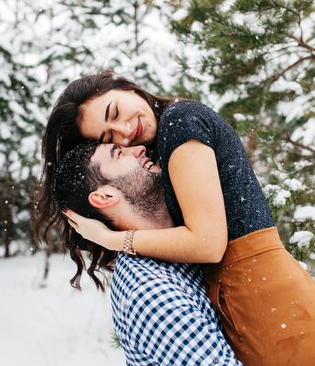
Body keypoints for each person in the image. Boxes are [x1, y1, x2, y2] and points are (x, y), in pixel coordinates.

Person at [34, 70, 315, 366]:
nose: (126, 132)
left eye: (115, 112)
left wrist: (113, 239)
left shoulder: (180, 122)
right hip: (266, 293)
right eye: (110, 139)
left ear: (127, 88)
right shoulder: (167, 135)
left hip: (260, 296)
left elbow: (208, 244)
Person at [51, 141, 242, 366]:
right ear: (104, 197)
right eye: (119, 153)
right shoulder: (148, 291)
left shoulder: (190, 235)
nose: (140, 149)